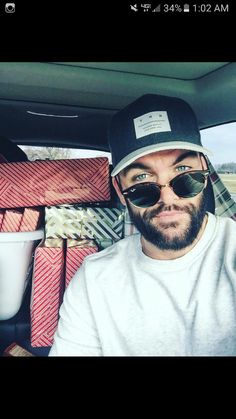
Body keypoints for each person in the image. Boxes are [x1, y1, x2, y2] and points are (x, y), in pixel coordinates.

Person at [49, 94, 236, 356]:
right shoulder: (95, 279)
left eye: (183, 173)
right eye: (143, 181)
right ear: (119, 187)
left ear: (205, 171)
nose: (168, 199)